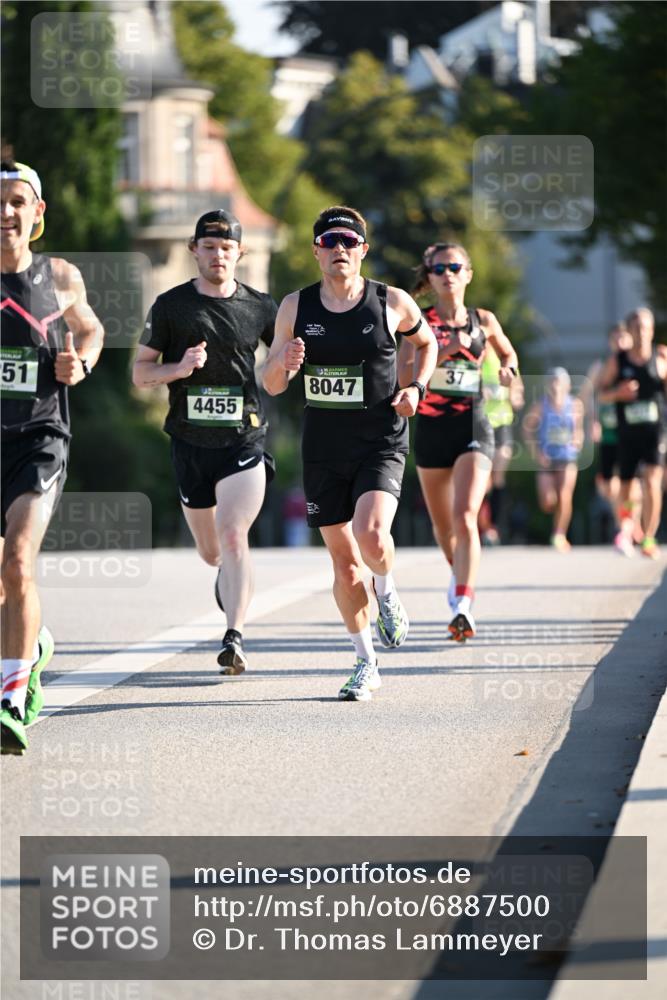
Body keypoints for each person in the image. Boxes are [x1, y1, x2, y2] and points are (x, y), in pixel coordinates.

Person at [263, 206, 436, 701]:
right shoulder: (296, 307)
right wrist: (285, 362)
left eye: (348, 242)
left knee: (372, 534)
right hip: (323, 449)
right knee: (343, 564)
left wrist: (417, 389)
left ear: (363, 250)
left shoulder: (392, 302)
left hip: (380, 440)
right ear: (316, 250)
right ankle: (366, 662)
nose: (339, 249)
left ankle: (387, 589)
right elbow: (272, 385)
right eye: (329, 242)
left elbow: (426, 345)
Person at [133, 210, 277, 673]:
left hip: (244, 440)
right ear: (194, 250)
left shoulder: (261, 307)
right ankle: (225, 577)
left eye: (227, 247)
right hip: (190, 444)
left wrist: (290, 361)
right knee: (212, 550)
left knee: (235, 535)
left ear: (240, 252)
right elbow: (140, 373)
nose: (218, 255)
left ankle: (234, 635)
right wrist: (177, 369)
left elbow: (278, 370)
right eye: (209, 247)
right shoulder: (171, 306)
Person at [1, 160, 104, 755]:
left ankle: (12, 699)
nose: (6, 212)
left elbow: (89, 331)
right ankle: (32, 647)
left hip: (40, 436)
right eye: (0, 201)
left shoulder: (59, 276)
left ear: (37, 213)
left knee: (18, 560)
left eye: (19, 201)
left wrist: (81, 362)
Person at [398, 242, 519, 642]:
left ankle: (463, 603)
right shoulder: (417, 324)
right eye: (439, 269)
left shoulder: (483, 319)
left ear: (468, 274)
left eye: (455, 267)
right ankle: (459, 577)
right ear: (429, 278)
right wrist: (446, 349)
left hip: (474, 426)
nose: (447, 274)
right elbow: (403, 379)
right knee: (443, 527)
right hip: (432, 430)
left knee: (467, 515)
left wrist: (507, 370)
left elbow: (507, 353)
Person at [597, 307, 667, 559]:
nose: (642, 333)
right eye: (636, 328)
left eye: (646, 328)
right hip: (627, 433)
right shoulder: (618, 361)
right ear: (629, 330)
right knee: (625, 489)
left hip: (654, 432)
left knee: (651, 482)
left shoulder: (660, 359)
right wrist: (619, 393)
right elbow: (601, 394)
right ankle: (627, 528)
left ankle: (648, 537)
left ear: (652, 331)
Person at [580, 323, 642, 556]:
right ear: (610, 342)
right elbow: (586, 396)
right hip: (608, 432)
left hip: (632, 432)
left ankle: (625, 529)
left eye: (623, 338)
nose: (619, 342)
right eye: (615, 338)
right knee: (609, 487)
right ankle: (627, 524)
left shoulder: (636, 364)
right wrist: (591, 422)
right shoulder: (601, 367)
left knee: (633, 486)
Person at [523, 367, 584, 552]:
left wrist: (577, 441)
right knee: (548, 501)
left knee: (565, 495)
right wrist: (536, 452)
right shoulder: (541, 405)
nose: (556, 385)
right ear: (547, 385)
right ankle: (555, 516)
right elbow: (527, 428)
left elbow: (578, 428)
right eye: (553, 381)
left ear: (567, 385)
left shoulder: (574, 405)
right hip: (547, 458)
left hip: (566, 456)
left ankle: (559, 534)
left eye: (560, 382)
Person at [479, 345, 524, 545]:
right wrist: (480, 392)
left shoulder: (508, 361)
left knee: (498, 478)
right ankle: (481, 525)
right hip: (481, 423)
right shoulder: (477, 358)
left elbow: (518, 392)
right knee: (483, 481)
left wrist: (513, 396)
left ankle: (493, 527)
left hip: (503, 423)